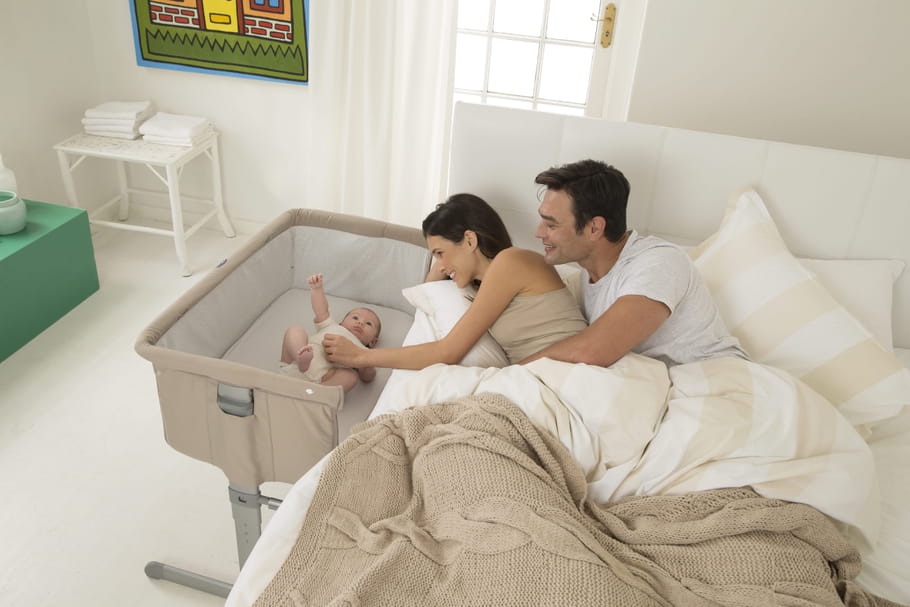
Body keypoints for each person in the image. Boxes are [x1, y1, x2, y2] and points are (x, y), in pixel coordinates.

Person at [522, 158, 747, 368]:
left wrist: (512, 373)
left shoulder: (659, 262)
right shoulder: (588, 274)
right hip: (656, 382)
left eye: (551, 225)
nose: (538, 233)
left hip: (717, 375)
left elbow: (592, 351)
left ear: (594, 228)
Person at [322, 193, 587, 370]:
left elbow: (447, 352)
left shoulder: (511, 262)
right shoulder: (485, 286)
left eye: (440, 253)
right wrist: (447, 263)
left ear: (470, 240)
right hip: (544, 372)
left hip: (568, 371)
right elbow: (430, 291)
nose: (440, 265)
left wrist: (361, 356)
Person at [279, 273, 380, 392]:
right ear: (341, 323)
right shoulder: (331, 325)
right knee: (295, 331)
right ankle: (301, 357)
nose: (360, 323)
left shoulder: (363, 351)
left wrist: (367, 365)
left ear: (373, 342)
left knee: (350, 377)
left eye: (368, 324)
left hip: (321, 378)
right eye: (355, 318)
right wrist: (317, 289)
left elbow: (368, 377)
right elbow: (321, 310)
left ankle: (319, 392)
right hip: (294, 364)